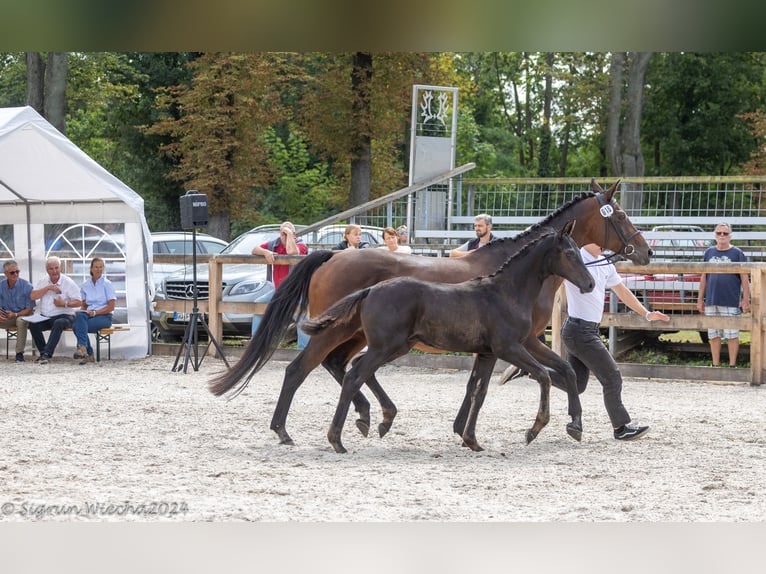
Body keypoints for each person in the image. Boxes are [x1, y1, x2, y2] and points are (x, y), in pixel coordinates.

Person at [561, 243, 670, 441]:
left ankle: (534, 371)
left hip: (585, 330)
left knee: (577, 384)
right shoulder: (574, 258)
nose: (605, 244)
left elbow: (622, 291)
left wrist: (646, 313)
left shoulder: (605, 264)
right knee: (612, 377)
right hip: (579, 331)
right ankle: (621, 427)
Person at [696, 222, 751, 368]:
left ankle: (732, 366)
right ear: (715, 235)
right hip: (711, 300)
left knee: (732, 335)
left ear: (730, 236)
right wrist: (700, 299)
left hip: (730, 300)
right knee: (714, 335)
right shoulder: (709, 252)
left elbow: (745, 278)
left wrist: (746, 300)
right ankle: (715, 365)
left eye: (725, 233)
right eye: (719, 233)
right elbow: (703, 277)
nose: (722, 236)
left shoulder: (737, 253)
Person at [251, 221, 309, 349]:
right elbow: (254, 249)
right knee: (258, 305)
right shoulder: (273, 245)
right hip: (279, 290)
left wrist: (289, 235)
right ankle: (255, 344)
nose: (284, 236)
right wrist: (266, 252)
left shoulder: (301, 245)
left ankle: (303, 350)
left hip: (297, 290)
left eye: (287, 233)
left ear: (294, 234)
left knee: (302, 317)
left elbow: (292, 252)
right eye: (282, 233)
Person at [28, 256, 82, 364]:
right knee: (32, 324)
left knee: (59, 322)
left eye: (56, 268)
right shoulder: (43, 281)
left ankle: (47, 354)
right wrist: (47, 288)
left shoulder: (68, 282)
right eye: (51, 269)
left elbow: (79, 302)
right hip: (46, 316)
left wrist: (65, 304)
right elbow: (33, 296)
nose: (54, 271)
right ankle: (43, 352)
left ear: (60, 268)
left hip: (65, 316)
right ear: (47, 270)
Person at [73, 257, 116, 365]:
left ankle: (85, 351)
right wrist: (80, 310)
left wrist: (96, 313)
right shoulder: (85, 285)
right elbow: (84, 305)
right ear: (91, 269)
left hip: (104, 316)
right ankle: (86, 351)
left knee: (77, 326)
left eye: (101, 267)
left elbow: (111, 307)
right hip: (89, 314)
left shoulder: (107, 284)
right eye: (96, 267)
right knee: (79, 318)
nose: (98, 269)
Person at [0, 260, 35, 362]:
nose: (15, 274)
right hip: (7, 316)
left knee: (20, 321)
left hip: (24, 315)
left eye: (17, 271)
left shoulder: (27, 286)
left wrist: (15, 314)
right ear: (5, 274)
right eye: (12, 272)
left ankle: (19, 354)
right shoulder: (1, 286)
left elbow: (29, 309)